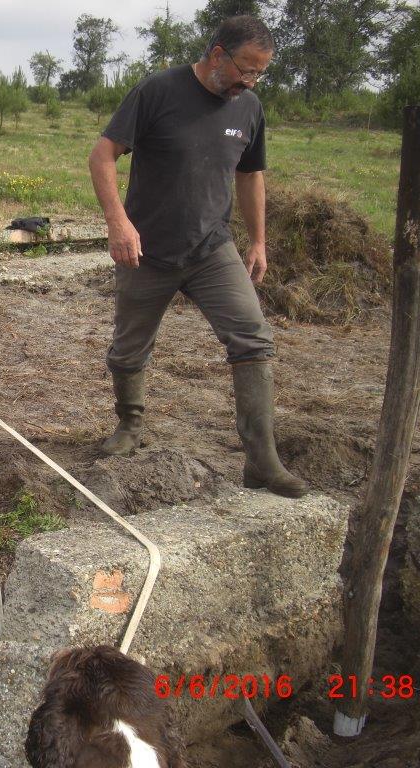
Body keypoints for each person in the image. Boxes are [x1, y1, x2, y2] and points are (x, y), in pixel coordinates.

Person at [88, 15, 306, 498]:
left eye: (259, 74)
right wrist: (118, 222)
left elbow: (251, 176)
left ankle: (263, 462)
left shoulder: (248, 107)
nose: (248, 81)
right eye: (244, 69)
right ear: (216, 54)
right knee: (128, 349)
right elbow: (102, 155)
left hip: (212, 247)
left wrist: (258, 241)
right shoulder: (158, 91)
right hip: (146, 248)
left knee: (253, 339)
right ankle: (130, 425)